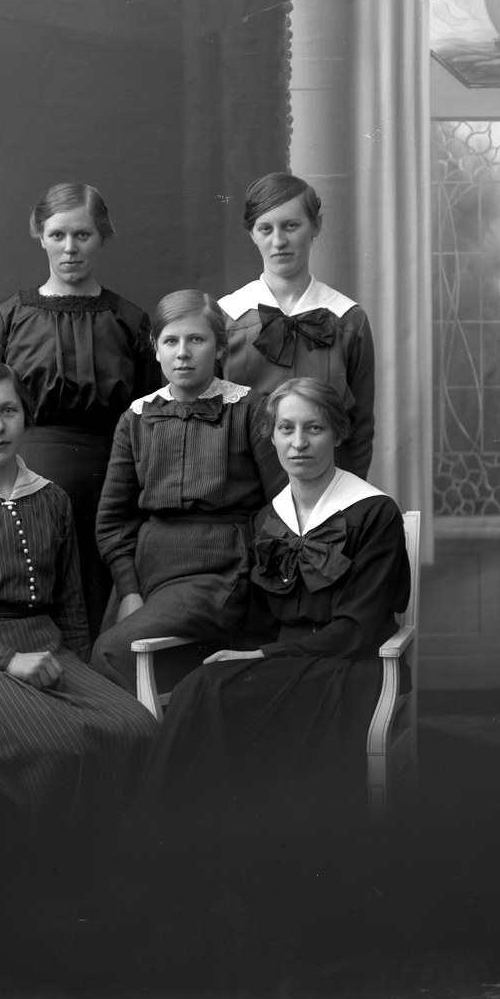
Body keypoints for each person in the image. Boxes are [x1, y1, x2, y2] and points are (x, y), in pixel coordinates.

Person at [133, 377, 410, 828]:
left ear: (338, 435)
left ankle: (193, 832)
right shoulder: (267, 518)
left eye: (314, 428)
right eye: (286, 429)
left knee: (212, 691)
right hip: (281, 661)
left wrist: (262, 656)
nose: (298, 443)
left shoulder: (375, 513)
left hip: (351, 664)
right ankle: (180, 835)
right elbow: (256, 616)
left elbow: (358, 628)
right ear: (273, 436)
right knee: (199, 686)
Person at [0, 361, 158, 830]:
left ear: (26, 416)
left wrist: (82, 676)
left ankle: (118, 865)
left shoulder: (51, 499)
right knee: (62, 745)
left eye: (9, 410)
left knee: (138, 727)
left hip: (46, 651)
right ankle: (62, 868)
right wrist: (7, 659)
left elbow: (71, 604)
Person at [0, 183, 159, 639]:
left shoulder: (130, 321)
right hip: (22, 482)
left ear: (102, 237)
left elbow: (151, 420)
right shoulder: (7, 318)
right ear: (40, 236)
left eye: (83, 235)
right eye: (57, 235)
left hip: (109, 488)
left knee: (99, 611)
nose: (70, 248)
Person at [90, 290, 286, 695]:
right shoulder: (136, 418)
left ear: (220, 347)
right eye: (171, 341)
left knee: (114, 651)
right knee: (97, 668)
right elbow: (113, 520)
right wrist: (129, 590)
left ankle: (159, 736)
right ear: (156, 349)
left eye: (196, 339)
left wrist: (252, 567)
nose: (182, 353)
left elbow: (283, 505)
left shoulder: (249, 409)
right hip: (147, 574)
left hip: (220, 572)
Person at [218, 172, 375, 479]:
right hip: (243, 489)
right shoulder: (226, 317)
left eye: (291, 226)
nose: (279, 242)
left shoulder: (348, 319)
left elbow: (360, 425)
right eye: (266, 228)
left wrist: (348, 498)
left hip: (325, 488)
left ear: (315, 226)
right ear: (251, 233)